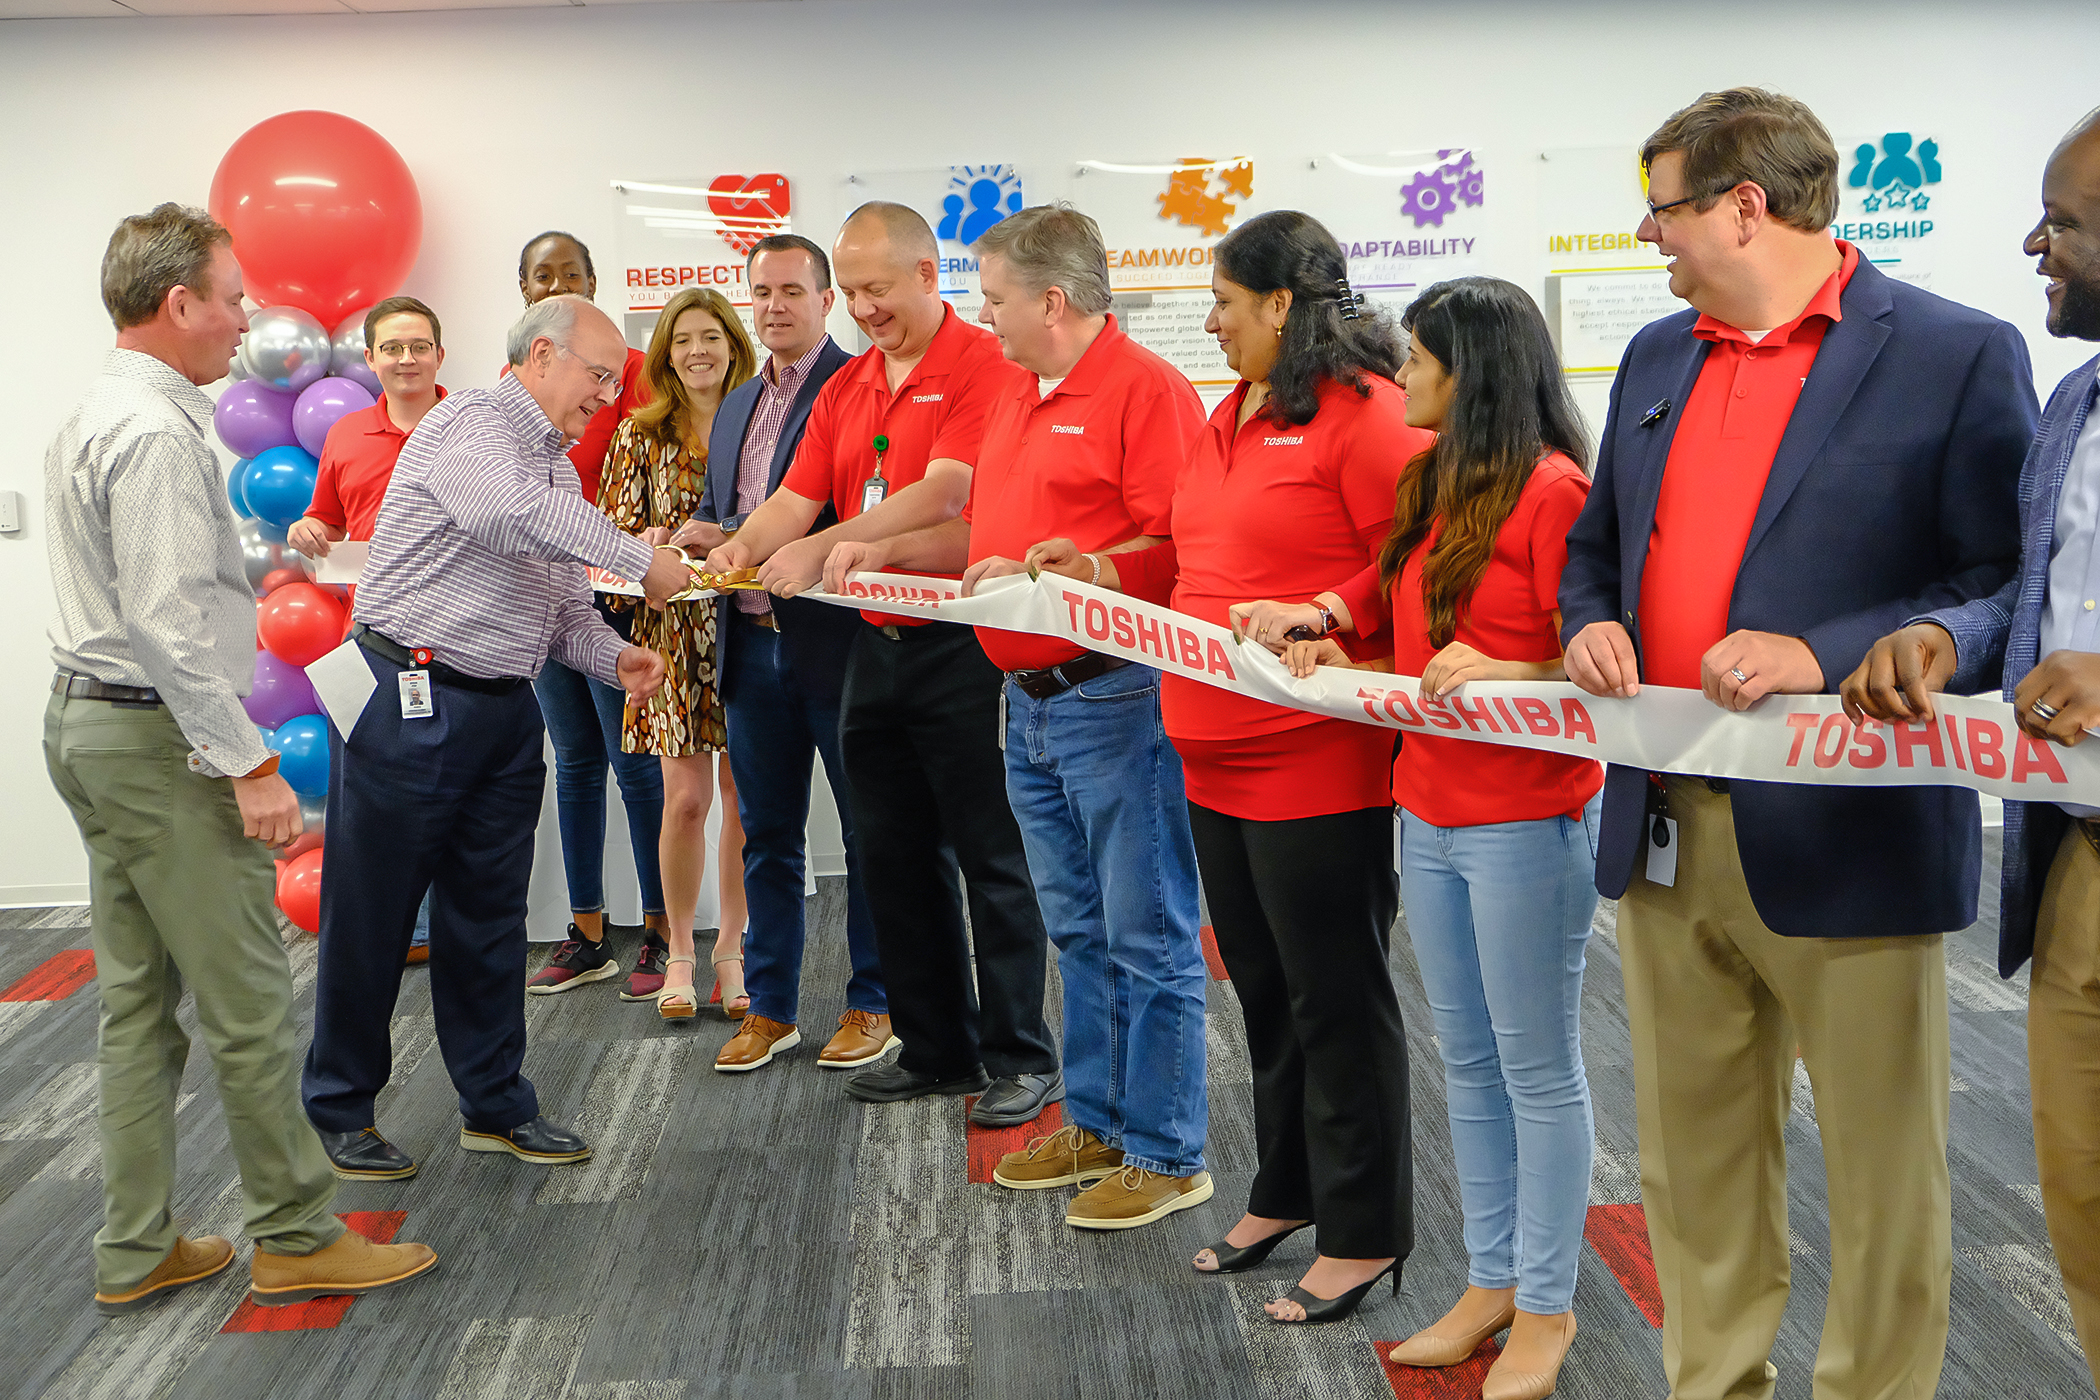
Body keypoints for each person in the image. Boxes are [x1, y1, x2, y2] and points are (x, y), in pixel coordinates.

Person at [1557, 88, 2036, 1400]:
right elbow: (1597, 550)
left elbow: (2000, 584)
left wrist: (1823, 653)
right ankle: (1713, 1381)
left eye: (1661, 209)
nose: (1647, 235)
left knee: (1884, 1169)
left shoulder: (1954, 351)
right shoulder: (1658, 356)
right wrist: (1591, 622)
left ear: (1744, 207)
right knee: (1691, 1157)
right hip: (1666, 821)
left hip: (1855, 831)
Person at [44, 203, 435, 1314]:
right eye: (230, 298)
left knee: (137, 1002)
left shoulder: (98, 407)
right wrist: (250, 766)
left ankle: (137, 1245)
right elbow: (168, 624)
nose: (246, 318)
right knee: (251, 998)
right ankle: (298, 1235)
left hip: (92, 726)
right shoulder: (158, 434)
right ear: (179, 305)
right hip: (156, 741)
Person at [825, 205, 1213, 1228]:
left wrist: (1093, 569)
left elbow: (1183, 548)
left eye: (994, 298)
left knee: (1147, 933)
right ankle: (1099, 1120)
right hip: (1027, 704)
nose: (983, 315)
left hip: (1116, 696)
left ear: (1052, 300)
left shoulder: (1145, 390)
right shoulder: (1017, 393)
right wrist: (960, 555)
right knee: (1078, 930)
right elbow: (992, 528)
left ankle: (1169, 1153)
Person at [1246, 277, 1601, 1392]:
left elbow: (1602, 652)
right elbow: (1394, 592)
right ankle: (1491, 1281)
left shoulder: (1557, 490)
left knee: (1537, 1067)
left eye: (1417, 360)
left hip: (1527, 814)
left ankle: (1548, 1304)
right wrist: (1331, 628)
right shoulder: (1437, 474)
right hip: (1430, 806)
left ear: (1471, 371)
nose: (1400, 376)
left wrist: (1514, 666)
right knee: (1472, 1061)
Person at [302, 293, 685, 1180]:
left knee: (489, 920)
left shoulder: (557, 475)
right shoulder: (471, 424)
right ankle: (339, 1108)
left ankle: (495, 1103)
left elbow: (564, 614)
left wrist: (616, 657)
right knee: (372, 914)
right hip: (408, 699)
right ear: (542, 356)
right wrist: (641, 559)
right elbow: (505, 515)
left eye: (615, 382)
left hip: (504, 714)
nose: (607, 395)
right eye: (599, 376)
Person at [1840, 107, 2100, 1396]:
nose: (2034, 245)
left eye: (2063, 222)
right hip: (2079, 868)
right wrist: (1948, 634)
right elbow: (2032, 599)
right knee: (2084, 1203)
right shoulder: (2075, 401)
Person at [703, 203, 1061, 1123]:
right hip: (876, 646)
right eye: (853, 292)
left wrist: (829, 544)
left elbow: (947, 495)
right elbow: (794, 499)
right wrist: (736, 551)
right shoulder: (852, 383)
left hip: (966, 648)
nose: (863, 309)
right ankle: (937, 1048)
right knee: (891, 853)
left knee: (992, 859)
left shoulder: (984, 365)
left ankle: (1020, 1056)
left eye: (876, 289)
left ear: (926, 275)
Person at [1164, 209, 1429, 1324]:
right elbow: (1195, 557)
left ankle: (1364, 1232)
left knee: (1336, 997)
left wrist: (1329, 616)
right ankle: (1286, 1188)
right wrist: (1100, 570)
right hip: (1210, 754)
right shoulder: (1230, 411)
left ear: (1282, 303)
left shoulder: (1366, 415)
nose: (1211, 323)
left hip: (1315, 756)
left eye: (1225, 303)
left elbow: (1417, 559)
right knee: (1265, 992)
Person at [684, 234, 893, 1074]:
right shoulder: (738, 402)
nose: (774, 307)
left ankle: (874, 1001)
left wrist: (734, 532)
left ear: (827, 300)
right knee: (766, 835)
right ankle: (771, 1008)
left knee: (870, 831)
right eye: (762, 292)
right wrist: (699, 532)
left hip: (836, 645)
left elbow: (847, 513)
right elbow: (725, 508)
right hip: (748, 646)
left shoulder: (860, 386)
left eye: (793, 292)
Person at [512, 230, 671, 994]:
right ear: (524, 290)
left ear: (595, 283)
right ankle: (588, 934)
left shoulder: (633, 374)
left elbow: (651, 474)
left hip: (615, 599)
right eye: (543, 276)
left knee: (633, 764)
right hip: (544, 600)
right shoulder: (512, 383)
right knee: (574, 762)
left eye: (571, 274)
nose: (557, 286)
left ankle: (663, 931)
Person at [598, 285, 754, 1020]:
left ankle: (734, 950)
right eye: (683, 339)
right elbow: (608, 538)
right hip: (673, 639)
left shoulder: (761, 422)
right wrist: (648, 545)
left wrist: (732, 537)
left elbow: (793, 518)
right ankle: (683, 952)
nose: (698, 351)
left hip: (749, 630)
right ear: (665, 353)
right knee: (686, 802)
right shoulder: (639, 433)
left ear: (733, 345)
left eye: (711, 337)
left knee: (745, 803)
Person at [288, 293, 449, 967]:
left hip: (461, 642)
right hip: (371, 640)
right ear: (370, 358)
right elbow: (327, 518)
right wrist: (309, 528)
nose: (406, 359)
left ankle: (444, 928)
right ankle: (393, 931)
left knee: (449, 789)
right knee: (372, 790)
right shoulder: (347, 436)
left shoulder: (475, 432)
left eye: (418, 346)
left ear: (440, 354)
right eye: (393, 348)